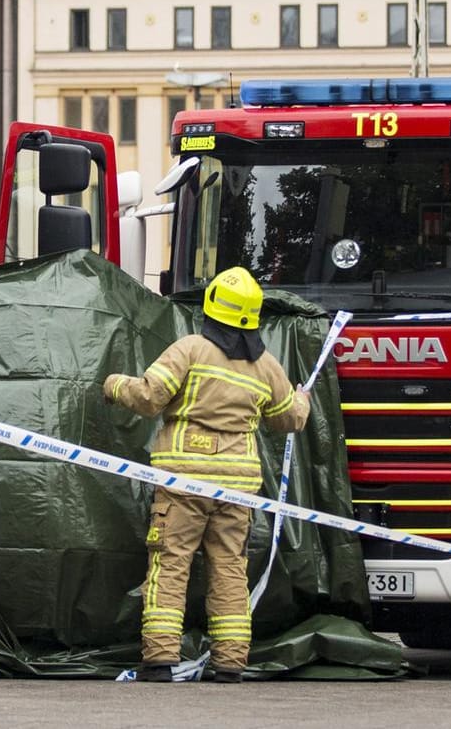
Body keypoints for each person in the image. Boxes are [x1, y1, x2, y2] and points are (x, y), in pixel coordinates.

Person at [103, 267, 310, 683]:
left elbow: (148, 397)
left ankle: (159, 660)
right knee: (230, 568)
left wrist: (112, 384)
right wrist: (303, 398)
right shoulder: (266, 366)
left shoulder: (190, 349)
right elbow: (290, 418)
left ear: (212, 307)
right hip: (238, 489)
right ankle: (231, 663)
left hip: (184, 482)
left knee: (171, 564)